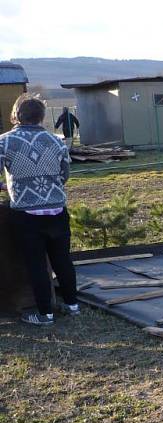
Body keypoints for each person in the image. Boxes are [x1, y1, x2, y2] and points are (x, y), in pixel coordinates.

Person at [0, 94, 79, 326]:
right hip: (57, 210)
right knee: (62, 260)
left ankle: (45, 314)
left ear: (15, 115)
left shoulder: (4, 141)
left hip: (26, 214)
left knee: (36, 264)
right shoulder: (57, 141)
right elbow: (65, 175)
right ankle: (72, 305)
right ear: (42, 117)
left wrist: (9, 185)